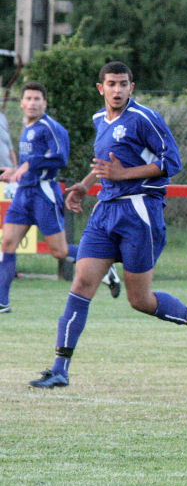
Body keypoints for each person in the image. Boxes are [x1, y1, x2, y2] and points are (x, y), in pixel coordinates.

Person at [27, 61, 187, 388]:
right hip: (105, 212)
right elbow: (106, 164)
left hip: (140, 212)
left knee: (139, 300)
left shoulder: (145, 119)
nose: (117, 90)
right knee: (81, 283)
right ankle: (60, 369)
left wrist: (123, 175)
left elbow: (172, 163)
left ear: (132, 87)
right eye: (111, 84)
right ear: (100, 88)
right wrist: (87, 185)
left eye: (123, 84)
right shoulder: (100, 119)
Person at [1, 83, 119, 315]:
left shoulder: (51, 128)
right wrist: (13, 169)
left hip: (43, 193)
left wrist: (27, 165)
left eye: (37, 99)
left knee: (60, 251)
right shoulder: (27, 128)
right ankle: (2, 302)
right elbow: (31, 162)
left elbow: (59, 157)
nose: (33, 103)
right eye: (29, 98)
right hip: (24, 193)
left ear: (45, 103)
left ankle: (104, 267)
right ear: (22, 103)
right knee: (6, 245)